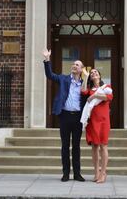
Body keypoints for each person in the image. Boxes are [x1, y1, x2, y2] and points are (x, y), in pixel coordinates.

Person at [42, 48, 86, 182]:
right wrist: (46, 59)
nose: (74, 65)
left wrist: (87, 76)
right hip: (65, 116)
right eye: (73, 64)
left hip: (78, 117)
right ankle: (66, 173)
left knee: (76, 146)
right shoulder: (63, 78)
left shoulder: (85, 84)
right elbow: (50, 75)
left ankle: (77, 174)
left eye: (77, 64)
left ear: (82, 69)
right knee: (65, 145)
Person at [81, 68, 113, 184]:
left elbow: (109, 98)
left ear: (99, 75)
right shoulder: (90, 89)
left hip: (103, 120)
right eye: (92, 73)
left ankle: (103, 173)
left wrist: (94, 96)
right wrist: (85, 76)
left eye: (96, 72)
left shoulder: (106, 87)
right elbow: (83, 91)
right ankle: (96, 173)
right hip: (93, 120)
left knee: (103, 146)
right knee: (94, 146)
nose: (94, 74)